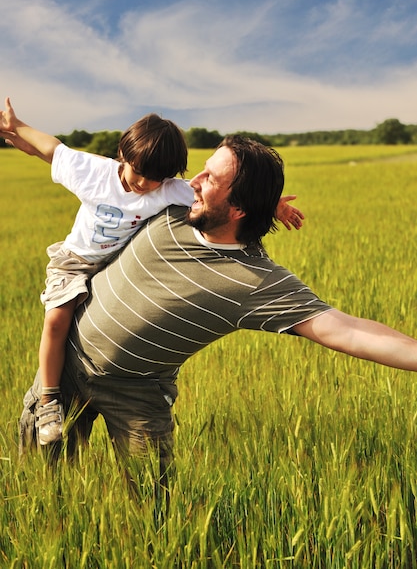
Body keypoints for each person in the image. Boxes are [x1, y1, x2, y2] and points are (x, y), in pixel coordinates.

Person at [13, 128, 417, 500]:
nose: (192, 183)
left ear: (239, 207)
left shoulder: (256, 281)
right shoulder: (171, 208)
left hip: (137, 394)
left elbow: (347, 330)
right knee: (39, 488)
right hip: (64, 364)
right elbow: (93, 176)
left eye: (210, 179)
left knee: (152, 508)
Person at [1, 100, 304, 451]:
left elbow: (226, 195)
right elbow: (53, 150)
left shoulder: (168, 188)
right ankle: (49, 402)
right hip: (75, 261)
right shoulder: (94, 173)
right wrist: (17, 126)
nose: (145, 184)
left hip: (112, 265)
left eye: (157, 178)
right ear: (122, 155)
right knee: (57, 320)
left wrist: (272, 203)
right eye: (138, 173)